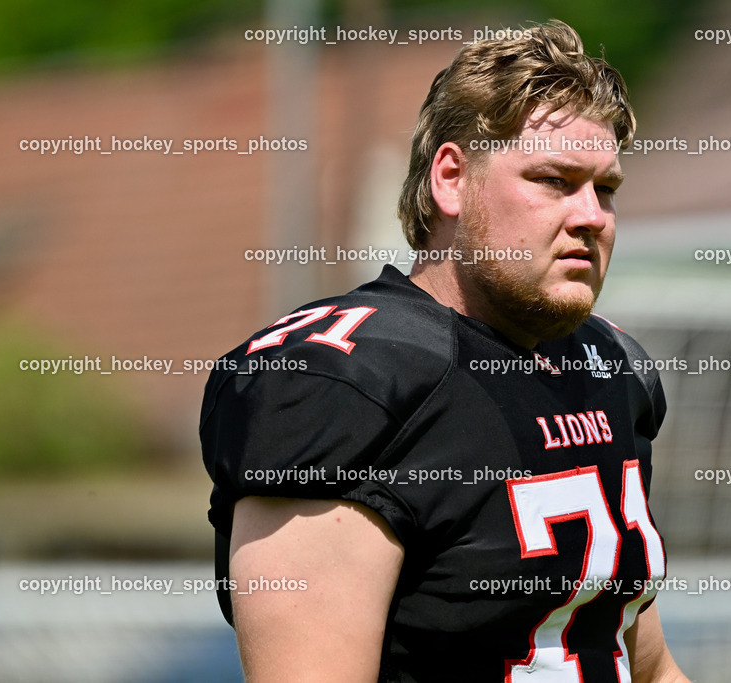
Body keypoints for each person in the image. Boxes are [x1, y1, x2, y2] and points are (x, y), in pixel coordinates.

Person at [201, 19, 690, 683]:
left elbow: (644, 661)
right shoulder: (342, 381)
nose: (591, 216)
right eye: (554, 179)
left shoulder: (607, 368)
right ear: (451, 178)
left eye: (604, 188)